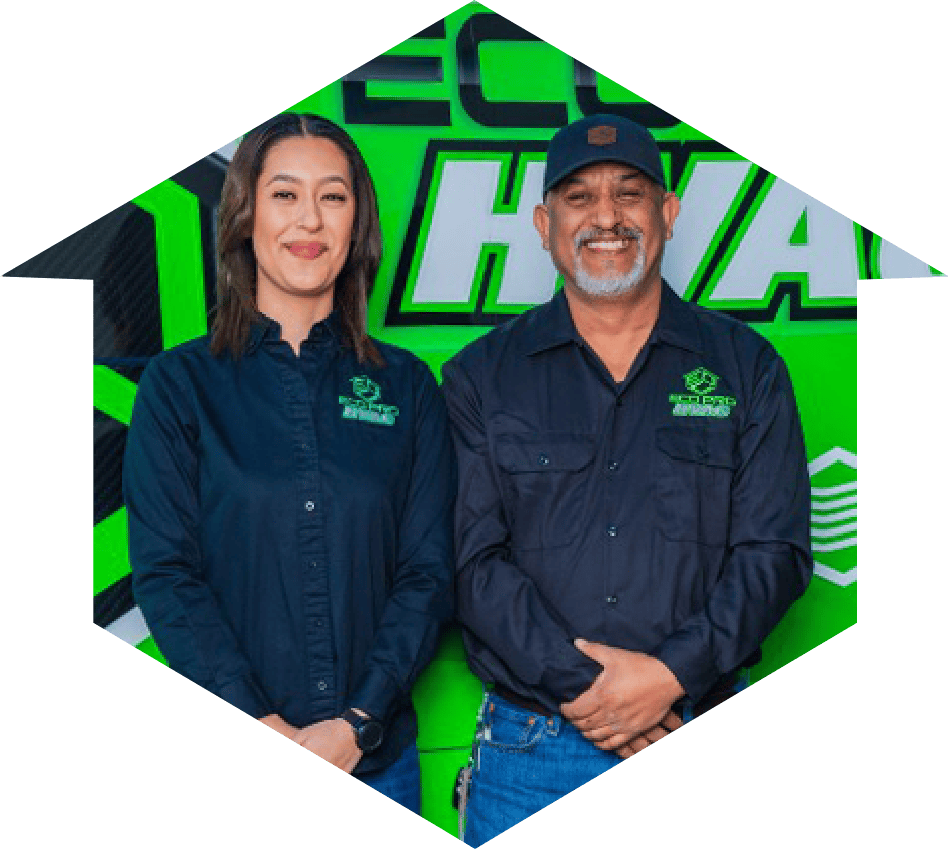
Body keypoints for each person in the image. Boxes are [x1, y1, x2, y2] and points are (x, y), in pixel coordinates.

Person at [442, 114, 813, 845]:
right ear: (545, 224)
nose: (605, 218)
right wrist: (597, 693)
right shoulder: (480, 376)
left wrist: (671, 676)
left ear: (666, 213)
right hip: (532, 757)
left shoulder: (747, 367)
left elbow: (774, 554)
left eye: (629, 193)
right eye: (578, 198)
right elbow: (469, 562)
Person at [124, 112, 455, 812]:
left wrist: (356, 722)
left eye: (332, 196)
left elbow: (427, 574)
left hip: (378, 765)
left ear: (356, 222)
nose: (309, 219)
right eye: (284, 194)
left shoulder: (407, 386)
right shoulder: (179, 385)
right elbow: (167, 574)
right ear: (244, 216)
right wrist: (258, 724)